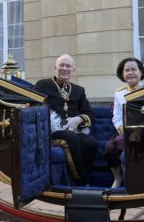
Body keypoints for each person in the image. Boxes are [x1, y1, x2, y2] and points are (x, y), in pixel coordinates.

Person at [35, 54, 98, 183]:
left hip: (72, 130)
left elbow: (89, 114)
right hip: (50, 131)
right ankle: (82, 181)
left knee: (91, 142)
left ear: (73, 71)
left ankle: (78, 177)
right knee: (71, 138)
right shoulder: (42, 85)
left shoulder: (79, 90)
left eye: (68, 66)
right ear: (55, 68)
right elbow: (36, 109)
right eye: (61, 65)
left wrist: (78, 119)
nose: (64, 68)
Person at [105, 57, 144, 188]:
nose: (130, 72)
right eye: (126, 70)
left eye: (133, 69)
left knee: (125, 156)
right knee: (109, 148)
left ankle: (130, 186)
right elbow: (116, 116)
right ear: (123, 74)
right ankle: (118, 178)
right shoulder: (119, 93)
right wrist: (122, 129)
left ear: (140, 72)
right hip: (125, 132)